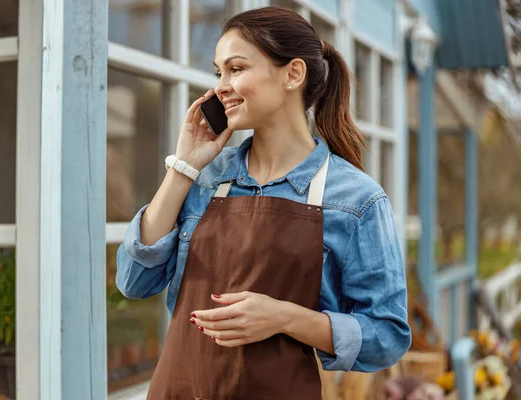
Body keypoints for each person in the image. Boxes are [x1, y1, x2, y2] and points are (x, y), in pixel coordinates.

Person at [117, 6, 411, 399]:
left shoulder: (356, 200)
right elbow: (134, 281)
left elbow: (388, 335)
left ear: (293, 74)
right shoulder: (207, 177)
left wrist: (284, 317)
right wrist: (184, 165)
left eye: (236, 69)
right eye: (218, 72)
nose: (221, 86)